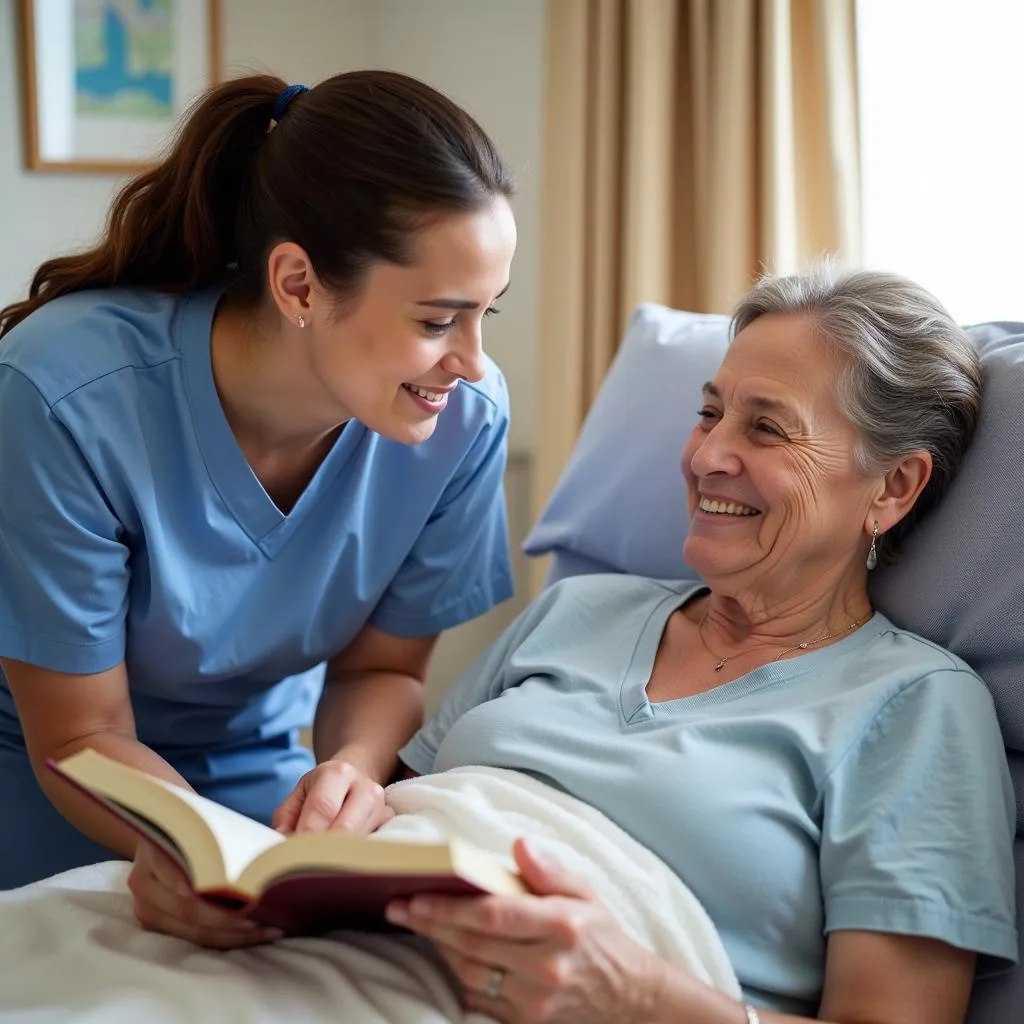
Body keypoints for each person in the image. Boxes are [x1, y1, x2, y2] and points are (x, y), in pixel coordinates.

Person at [382, 266, 1018, 1024]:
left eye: (767, 427)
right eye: (709, 413)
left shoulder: (917, 708)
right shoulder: (573, 610)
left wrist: (635, 997)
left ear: (892, 488)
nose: (707, 456)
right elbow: (382, 814)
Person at [0, 70, 517, 945]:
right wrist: (195, 853)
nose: (471, 361)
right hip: (54, 774)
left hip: (262, 784)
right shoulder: (63, 396)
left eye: (488, 315)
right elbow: (81, 732)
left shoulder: (464, 420)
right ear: (300, 285)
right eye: (438, 321)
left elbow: (382, 672)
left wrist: (351, 769)